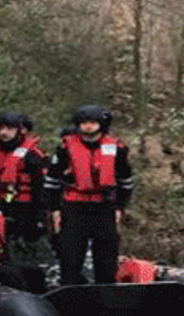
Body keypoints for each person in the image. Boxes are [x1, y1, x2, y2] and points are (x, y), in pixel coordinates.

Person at [42, 105, 135, 285]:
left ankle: (106, 298)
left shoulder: (117, 148)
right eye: (84, 123)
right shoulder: (65, 148)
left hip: (104, 207)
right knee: (70, 259)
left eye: (92, 123)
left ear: (101, 124)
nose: (88, 127)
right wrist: (54, 209)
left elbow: (126, 181)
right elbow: (51, 182)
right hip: (74, 208)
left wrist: (120, 207)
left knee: (106, 261)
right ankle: (71, 299)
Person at [0, 111, 48, 245]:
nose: (4, 132)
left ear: (19, 131)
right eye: (1, 128)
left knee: (23, 243)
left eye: (9, 129)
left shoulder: (32, 155)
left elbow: (40, 187)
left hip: (24, 208)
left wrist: (40, 216)